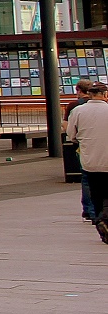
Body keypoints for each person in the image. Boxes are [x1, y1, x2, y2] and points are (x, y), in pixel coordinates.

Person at [65, 81, 108, 245]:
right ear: (105, 95)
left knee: (95, 192)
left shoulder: (77, 111)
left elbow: (71, 135)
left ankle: (98, 218)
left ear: (89, 94)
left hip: (90, 161)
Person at [68, 80, 97, 222]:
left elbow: (69, 131)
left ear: (79, 90)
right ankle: (97, 211)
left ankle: (88, 210)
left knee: (86, 178)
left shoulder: (74, 106)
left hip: (83, 146)